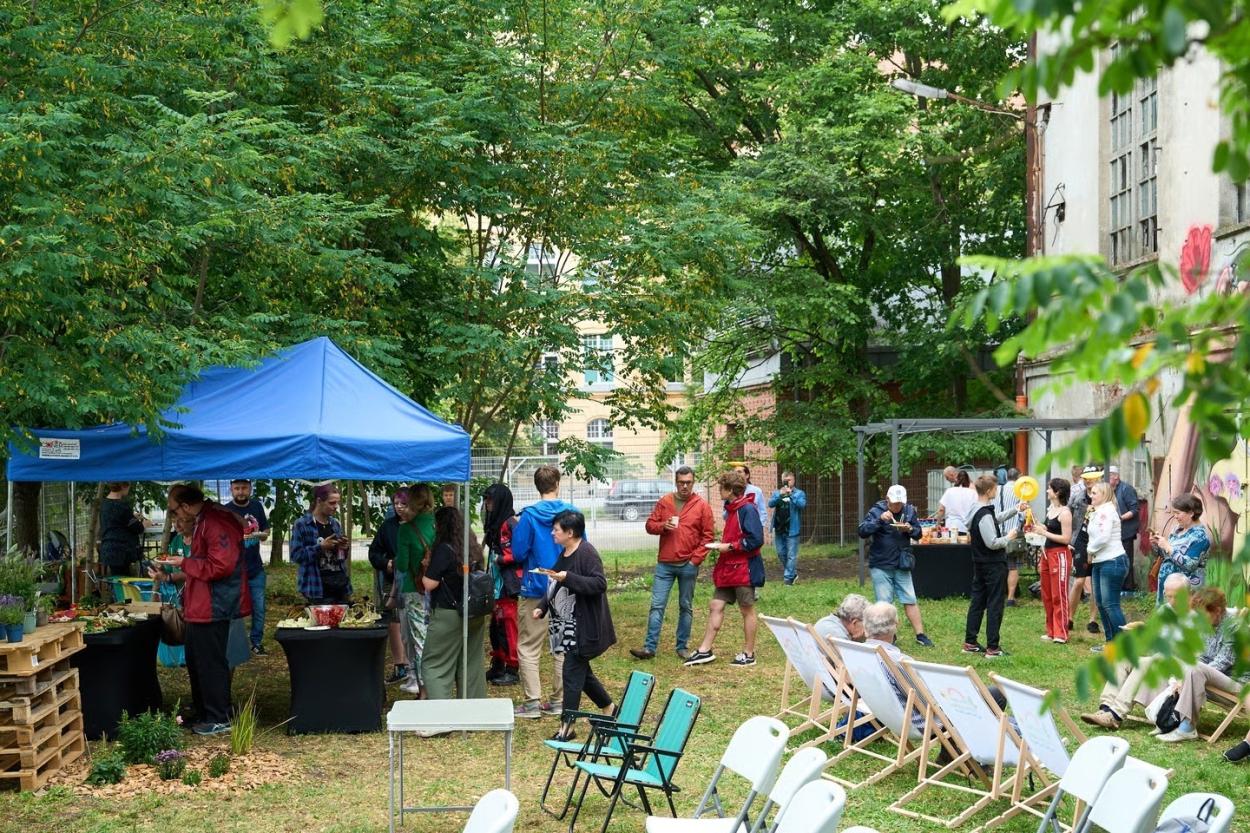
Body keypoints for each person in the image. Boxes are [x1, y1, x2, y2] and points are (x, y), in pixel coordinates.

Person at [163, 483, 249, 736]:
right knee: (197, 660)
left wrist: (185, 563)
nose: (174, 516)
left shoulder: (215, 522)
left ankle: (219, 716)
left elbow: (220, 567)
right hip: (201, 604)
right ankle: (204, 712)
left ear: (186, 506)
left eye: (174, 510)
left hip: (215, 604)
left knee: (210, 662)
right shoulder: (205, 519)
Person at [1082, 575, 1215, 729]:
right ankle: (1105, 709)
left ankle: (1115, 715)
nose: (1171, 601)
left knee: (1145, 663)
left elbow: (1199, 659)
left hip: (1179, 673)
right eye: (1168, 596)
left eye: (1176, 597)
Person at [535, 511, 617, 742]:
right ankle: (609, 708)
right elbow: (555, 580)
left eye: (556, 529)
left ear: (570, 533)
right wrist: (542, 607)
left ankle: (567, 727)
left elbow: (599, 584)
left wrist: (568, 577)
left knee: (571, 673)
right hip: (568, 627)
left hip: (585, 629)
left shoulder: (587, 552)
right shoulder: (566, 552)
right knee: (583, 675)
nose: (553, 533)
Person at [512, 465, 577, 719]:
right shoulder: (572, 515)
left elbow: (517, 553)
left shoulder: (528, 516)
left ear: (536, 486)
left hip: (534, 588)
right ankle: (559, 701)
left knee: (529, 645)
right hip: (564, 585)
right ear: (558, 483)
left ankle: (531, 702)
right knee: (561, 645)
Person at [631, 466, 714, 661]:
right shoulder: (665, 502)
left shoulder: (701, 505)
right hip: (665, 564)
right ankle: (649, 648)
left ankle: (682, 647)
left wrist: (695, 561)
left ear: (693, 483)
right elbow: (650, 525)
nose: (685, 486)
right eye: (681, 482)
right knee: (657, 605)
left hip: (688, 564)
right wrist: (663, 526)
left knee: (685, 606)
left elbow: (708, 536)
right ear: (675, 482)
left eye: (688, 482)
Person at [685, 470, 765, 667]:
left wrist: (729, 546)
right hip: (728, 568)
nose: (719, 491)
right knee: (715, 605)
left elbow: (756, 540)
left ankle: (749, 653)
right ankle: (705, 650)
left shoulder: (747, 509)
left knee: (746, 609)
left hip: (744, 570)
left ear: (730, 490)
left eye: (722, 488)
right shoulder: (732, 509)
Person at [1159, 587, 1244, 742]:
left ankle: (1187, 728)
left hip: (1238, 685)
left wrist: (1189, 675)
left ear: (1217, 611)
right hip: (1217, 678)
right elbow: (1202, 656)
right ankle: (1164, 720)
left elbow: (1224, 661)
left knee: (1194, 670)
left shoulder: (1234, 627)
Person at [421, 506, 489, 700]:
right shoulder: (472, 546)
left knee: (435, 663)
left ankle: (442, 716)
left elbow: (429, 584)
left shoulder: (444, 548)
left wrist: (427, 566)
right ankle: (473, 710)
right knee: (470, 662)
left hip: (449, 613)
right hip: (474, 610)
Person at [858, 484, 934, 648]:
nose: (898, 506)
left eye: (900, 503)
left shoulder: (909, 511)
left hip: (902, 563)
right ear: (887, 500)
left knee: (910, 599)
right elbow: (862, 531)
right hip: (881, 564)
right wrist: (879, 520)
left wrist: (910, 529)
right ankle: (888, 638)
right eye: (894, 503)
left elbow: (919, 533)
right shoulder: (877, 510)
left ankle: (920, 635)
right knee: (884, 604)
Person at [963, 474, 1022, 658]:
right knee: (995, 604)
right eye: (995, 488)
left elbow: (994, 519)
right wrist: (1009, 538)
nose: (997, 491)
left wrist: (1016, 509)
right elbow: (992, 542)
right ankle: (993, 648)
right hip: (993, 564)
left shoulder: (977, 509)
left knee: (978, 602)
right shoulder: (984, 514)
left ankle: (970, 642)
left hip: (979, 563)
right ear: (989, 491)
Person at [395, 485, 436, 697]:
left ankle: (424, 689)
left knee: (420, 641)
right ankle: (440, 683)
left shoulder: (406, 529)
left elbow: (401, 565)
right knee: (436, 638)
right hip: (439, 589)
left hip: (415, 589)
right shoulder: (439, 524)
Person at [367, 488, 409, 686]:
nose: (399, 507)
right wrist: (387, 564)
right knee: (394, 621)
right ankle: (400, 665)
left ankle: (414, 667)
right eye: (396, 504)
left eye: (403, 503)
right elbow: (374, 553)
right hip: (391, 582)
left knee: (412, 621)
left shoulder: (419, 525)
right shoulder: (387, 527)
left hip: (414, 583)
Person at [222, 479, 269, 656]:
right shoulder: (226, 510)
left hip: (255, 568)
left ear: (250, 489)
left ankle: (256, 642)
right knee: (233, 608)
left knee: (259, 607)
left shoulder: (257, 506)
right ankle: (233, 643)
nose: (240, 492)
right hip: (233, 570)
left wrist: (262, 535)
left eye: (244, 488)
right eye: (237, 488)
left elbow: (266, 529)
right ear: (231, 489)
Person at [483, 483, 521, 686]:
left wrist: (501, 560)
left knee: (507, 625)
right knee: (495, 626)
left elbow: (519, 553)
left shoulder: (510, 523)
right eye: (486, 499)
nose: (487, 503)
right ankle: (498, 664)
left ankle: (512, 669)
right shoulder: (496, 523)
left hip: (507, 584)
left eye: (490, 499)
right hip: (496, 583)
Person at [290, 483, 352, 604]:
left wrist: (343, 549)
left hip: (339, 583)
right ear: (319, 501)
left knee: (345, 620)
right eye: (332, 503)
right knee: (322, 621)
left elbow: (340, 558)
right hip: (316, 585)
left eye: (337, 503)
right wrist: (320, 547)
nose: (336, 507)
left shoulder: (334, 523)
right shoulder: (301, 524)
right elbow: (296, 556)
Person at [1029, 478, 1073, 643]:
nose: (1047, 491)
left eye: (1049, 489)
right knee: (1046, 593)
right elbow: (1048, 528)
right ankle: (1051, 631)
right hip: (1047, 554)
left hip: (1059, 555)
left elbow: (1066, 539)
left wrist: (1044, 533)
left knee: (1059, 594)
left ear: (1058, 492)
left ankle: (1061, 632)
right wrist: (1032, 517)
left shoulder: (1065, 512)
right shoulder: (1051, 510)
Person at [1087, 481, 1128, 647]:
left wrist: (1090, 550)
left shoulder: (1106, 511)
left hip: (1112, 561)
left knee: (1111, 604)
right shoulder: (1099, 511)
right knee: (1101, 604)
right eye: (1091, 492)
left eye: (1094, 493)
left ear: (1104, 495)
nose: (1091, 495)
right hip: (1100, 561)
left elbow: (1103, 537)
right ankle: (1110, 642)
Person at [1150, 494, 1210, 605]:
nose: (1175, 516)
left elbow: (1190, 565)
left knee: (1182, 621)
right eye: (1174, 513)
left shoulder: (1200, 537)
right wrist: (1157, 544)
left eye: (1178, 513)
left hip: (1185, 591)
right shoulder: (1177, 530)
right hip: (1168, 587)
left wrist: (1168, 547)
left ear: (1191, 513)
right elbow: (1166, 556)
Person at [1068, 465, 1103, 636]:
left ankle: (1093, 620)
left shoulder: (1106, 497)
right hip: (1081, 540)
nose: (1089, 481)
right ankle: (1069, 618)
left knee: (1096, 583)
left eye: (1092, 477)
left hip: (1099, 541)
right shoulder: (1077, 497)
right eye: (1086, 477)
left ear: (1098, 478)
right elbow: (1068, 515)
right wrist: (1069, 539)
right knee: (1079, 581)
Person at [99, 482, 147, 577]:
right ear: (123, 486)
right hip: (121, 552)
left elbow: (117, 521)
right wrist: (145, 524)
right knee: (123, 584)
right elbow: (137, 528)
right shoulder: (123, 506)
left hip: (108, 549)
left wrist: (132, 517)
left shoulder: (104, 504)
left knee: (115, 581)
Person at [769, 471, 807, 586]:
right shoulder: (777, 493)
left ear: (794, 480)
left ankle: (788, 579)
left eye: (789, 480)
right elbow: (770, 503)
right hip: (779, 528)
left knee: (791, 555)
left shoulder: (799, 493)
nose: (787, 482)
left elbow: (802, 505)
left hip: (792, 529)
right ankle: (793, 573)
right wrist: (780, 495)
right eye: (785, 480)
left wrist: (791, 495)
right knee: (781, 553)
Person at [1108, 466, 1141, 591]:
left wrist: (1119, 518)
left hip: (1126, 531)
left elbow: (1135, 509)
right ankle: (1117, 587)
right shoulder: (1109, 490)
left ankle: (1128, 588)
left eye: (1109, 475)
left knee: (1126, 559)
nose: (1105, 479)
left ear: (1116, 476)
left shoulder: (1126, 489)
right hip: (1113, 532)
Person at [996, 468, 1023, 606]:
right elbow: (1023, 512)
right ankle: (1011, 598)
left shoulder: (997, 490)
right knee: (1013, 566)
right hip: (1013, 533)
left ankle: (997, 594)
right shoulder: (1021, 491)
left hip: (997, 532)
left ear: (1006, 477)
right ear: (1019, 477)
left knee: (999, 565)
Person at [731, 464, 768, 531]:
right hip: (736, 530)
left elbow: (762, 511)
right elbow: (725, 513)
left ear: (747, 475)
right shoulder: (731, 492)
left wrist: (759, 526)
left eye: (739, 472)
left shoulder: (756, 491)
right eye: (735, 472)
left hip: (753, 529)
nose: (736, 474)